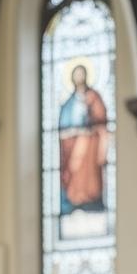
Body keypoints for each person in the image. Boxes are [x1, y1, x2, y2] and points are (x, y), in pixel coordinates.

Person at [58, 63, 109, 214]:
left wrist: (88, 125)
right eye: (76, 74)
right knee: (73, 170)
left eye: (81, 74)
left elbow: (100, 119)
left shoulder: (93, 96)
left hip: (89, 141)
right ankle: (74, 200)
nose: (79, 78)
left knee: (86, 172)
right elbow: (63, 122)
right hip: (71, 142)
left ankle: (90, 200)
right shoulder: (69, 100)